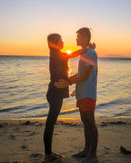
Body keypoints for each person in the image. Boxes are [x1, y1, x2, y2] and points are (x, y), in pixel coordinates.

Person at [43, 33, 95, 162]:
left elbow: (73, 54)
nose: (63, 41)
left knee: (51, 122)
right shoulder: (57, 56)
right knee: (50, 123)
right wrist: (88, 47)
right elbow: (74, 54)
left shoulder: (57, 55)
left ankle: (48, 153)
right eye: (60, 40)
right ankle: (48, 155)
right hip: (55, 93)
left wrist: (69, 81)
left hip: (55, 93)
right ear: (55, 42)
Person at [55, 27, 98, 163]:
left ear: (85, 37)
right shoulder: (85, 53)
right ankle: (86, 150)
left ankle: (93, 153)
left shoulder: (91, 53)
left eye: (78, 36)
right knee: (85, 122)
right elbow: (80, 74)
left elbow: (85, 75)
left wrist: (68, 82)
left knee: (90, 122)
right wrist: (68, 80)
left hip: (88, 94)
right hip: (81, 93)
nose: (76, 39)